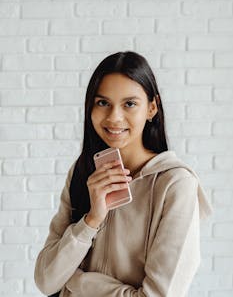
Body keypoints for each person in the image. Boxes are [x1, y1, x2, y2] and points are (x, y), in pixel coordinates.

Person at [34, 51, 212, 297]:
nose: (114, 117)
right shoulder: (82, 171)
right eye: (102, 103)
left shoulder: (176, 184)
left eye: (129, 104)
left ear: (152, 108)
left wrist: (78, 283)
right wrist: (91, 220)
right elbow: (46, 280)